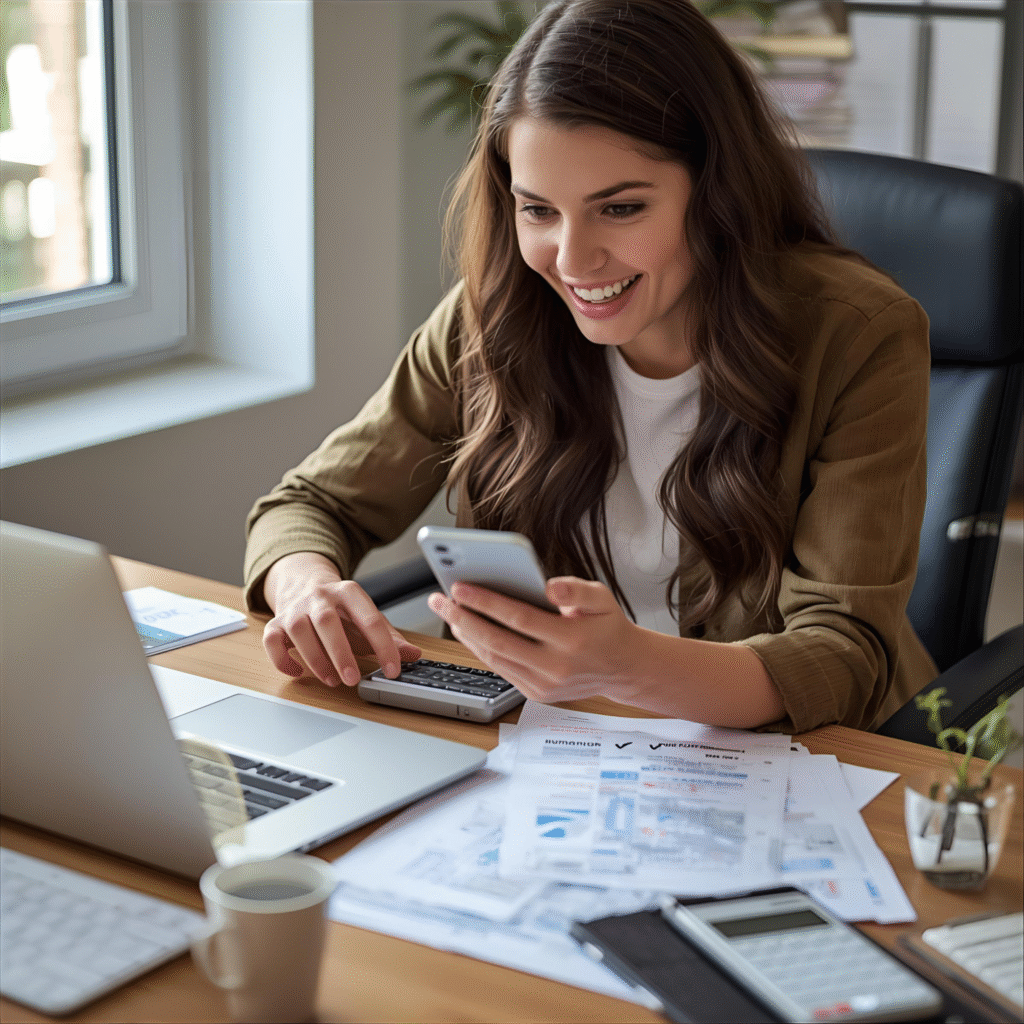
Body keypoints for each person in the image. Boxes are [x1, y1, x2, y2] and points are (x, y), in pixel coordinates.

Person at [244, 0, 937, 733]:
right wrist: (306, 588)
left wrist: (627, 664)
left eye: (620, 209)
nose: (572, 263)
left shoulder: (860, 334)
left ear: (718, 194)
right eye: (538, 211)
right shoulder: (496, 315)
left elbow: (844, 655)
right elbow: (308, 506)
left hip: (772, 764)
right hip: (546, 751)